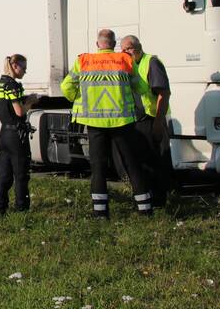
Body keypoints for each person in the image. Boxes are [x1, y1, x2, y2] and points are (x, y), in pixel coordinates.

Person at [61, 28, 152, 219]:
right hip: (121, 121)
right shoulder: (124, 60)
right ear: (114, 44)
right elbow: (142, 87)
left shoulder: (83, 61)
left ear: (98, 44)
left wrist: (77, 98)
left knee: (98, 167)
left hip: (94, 122)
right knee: (131, 163)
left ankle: (100, 212)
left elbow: (66, 86)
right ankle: (145, 209)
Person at [120, 34, 173, 208]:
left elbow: (163, 94)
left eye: (129, 48)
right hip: (138, 120)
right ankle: (148, 198)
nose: (126, 52)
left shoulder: (151, 62)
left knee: (155, 162)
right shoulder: (131, 65)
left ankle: (159, 202)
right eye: (123, 49)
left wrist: (158, 123)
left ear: (139, 47)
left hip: (151, 119)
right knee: (142, 162)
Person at [0, 54, 39, 214]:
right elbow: (19, 111)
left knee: (4, 174)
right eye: (23, 68)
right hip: (16, 135)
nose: (25, 72)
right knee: (21, 174)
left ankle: (0, 208)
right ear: (15, 66)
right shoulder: (13, 85)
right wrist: (30, 102)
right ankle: (22, 208)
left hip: (4, 133)